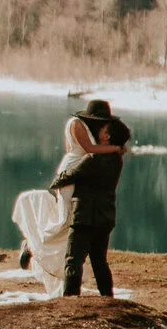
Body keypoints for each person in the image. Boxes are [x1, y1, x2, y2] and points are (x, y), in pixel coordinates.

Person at [51, 98, 127, 298]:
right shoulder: (116, 160)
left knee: (73, 260)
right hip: (106, 216)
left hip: (85, 216)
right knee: (99, 262)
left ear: (107, 136)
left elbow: (69, 176)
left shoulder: (92, 159)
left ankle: (70, 300)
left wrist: (56, 182)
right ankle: (108, 299)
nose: (100, 129)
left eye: (103, 128)